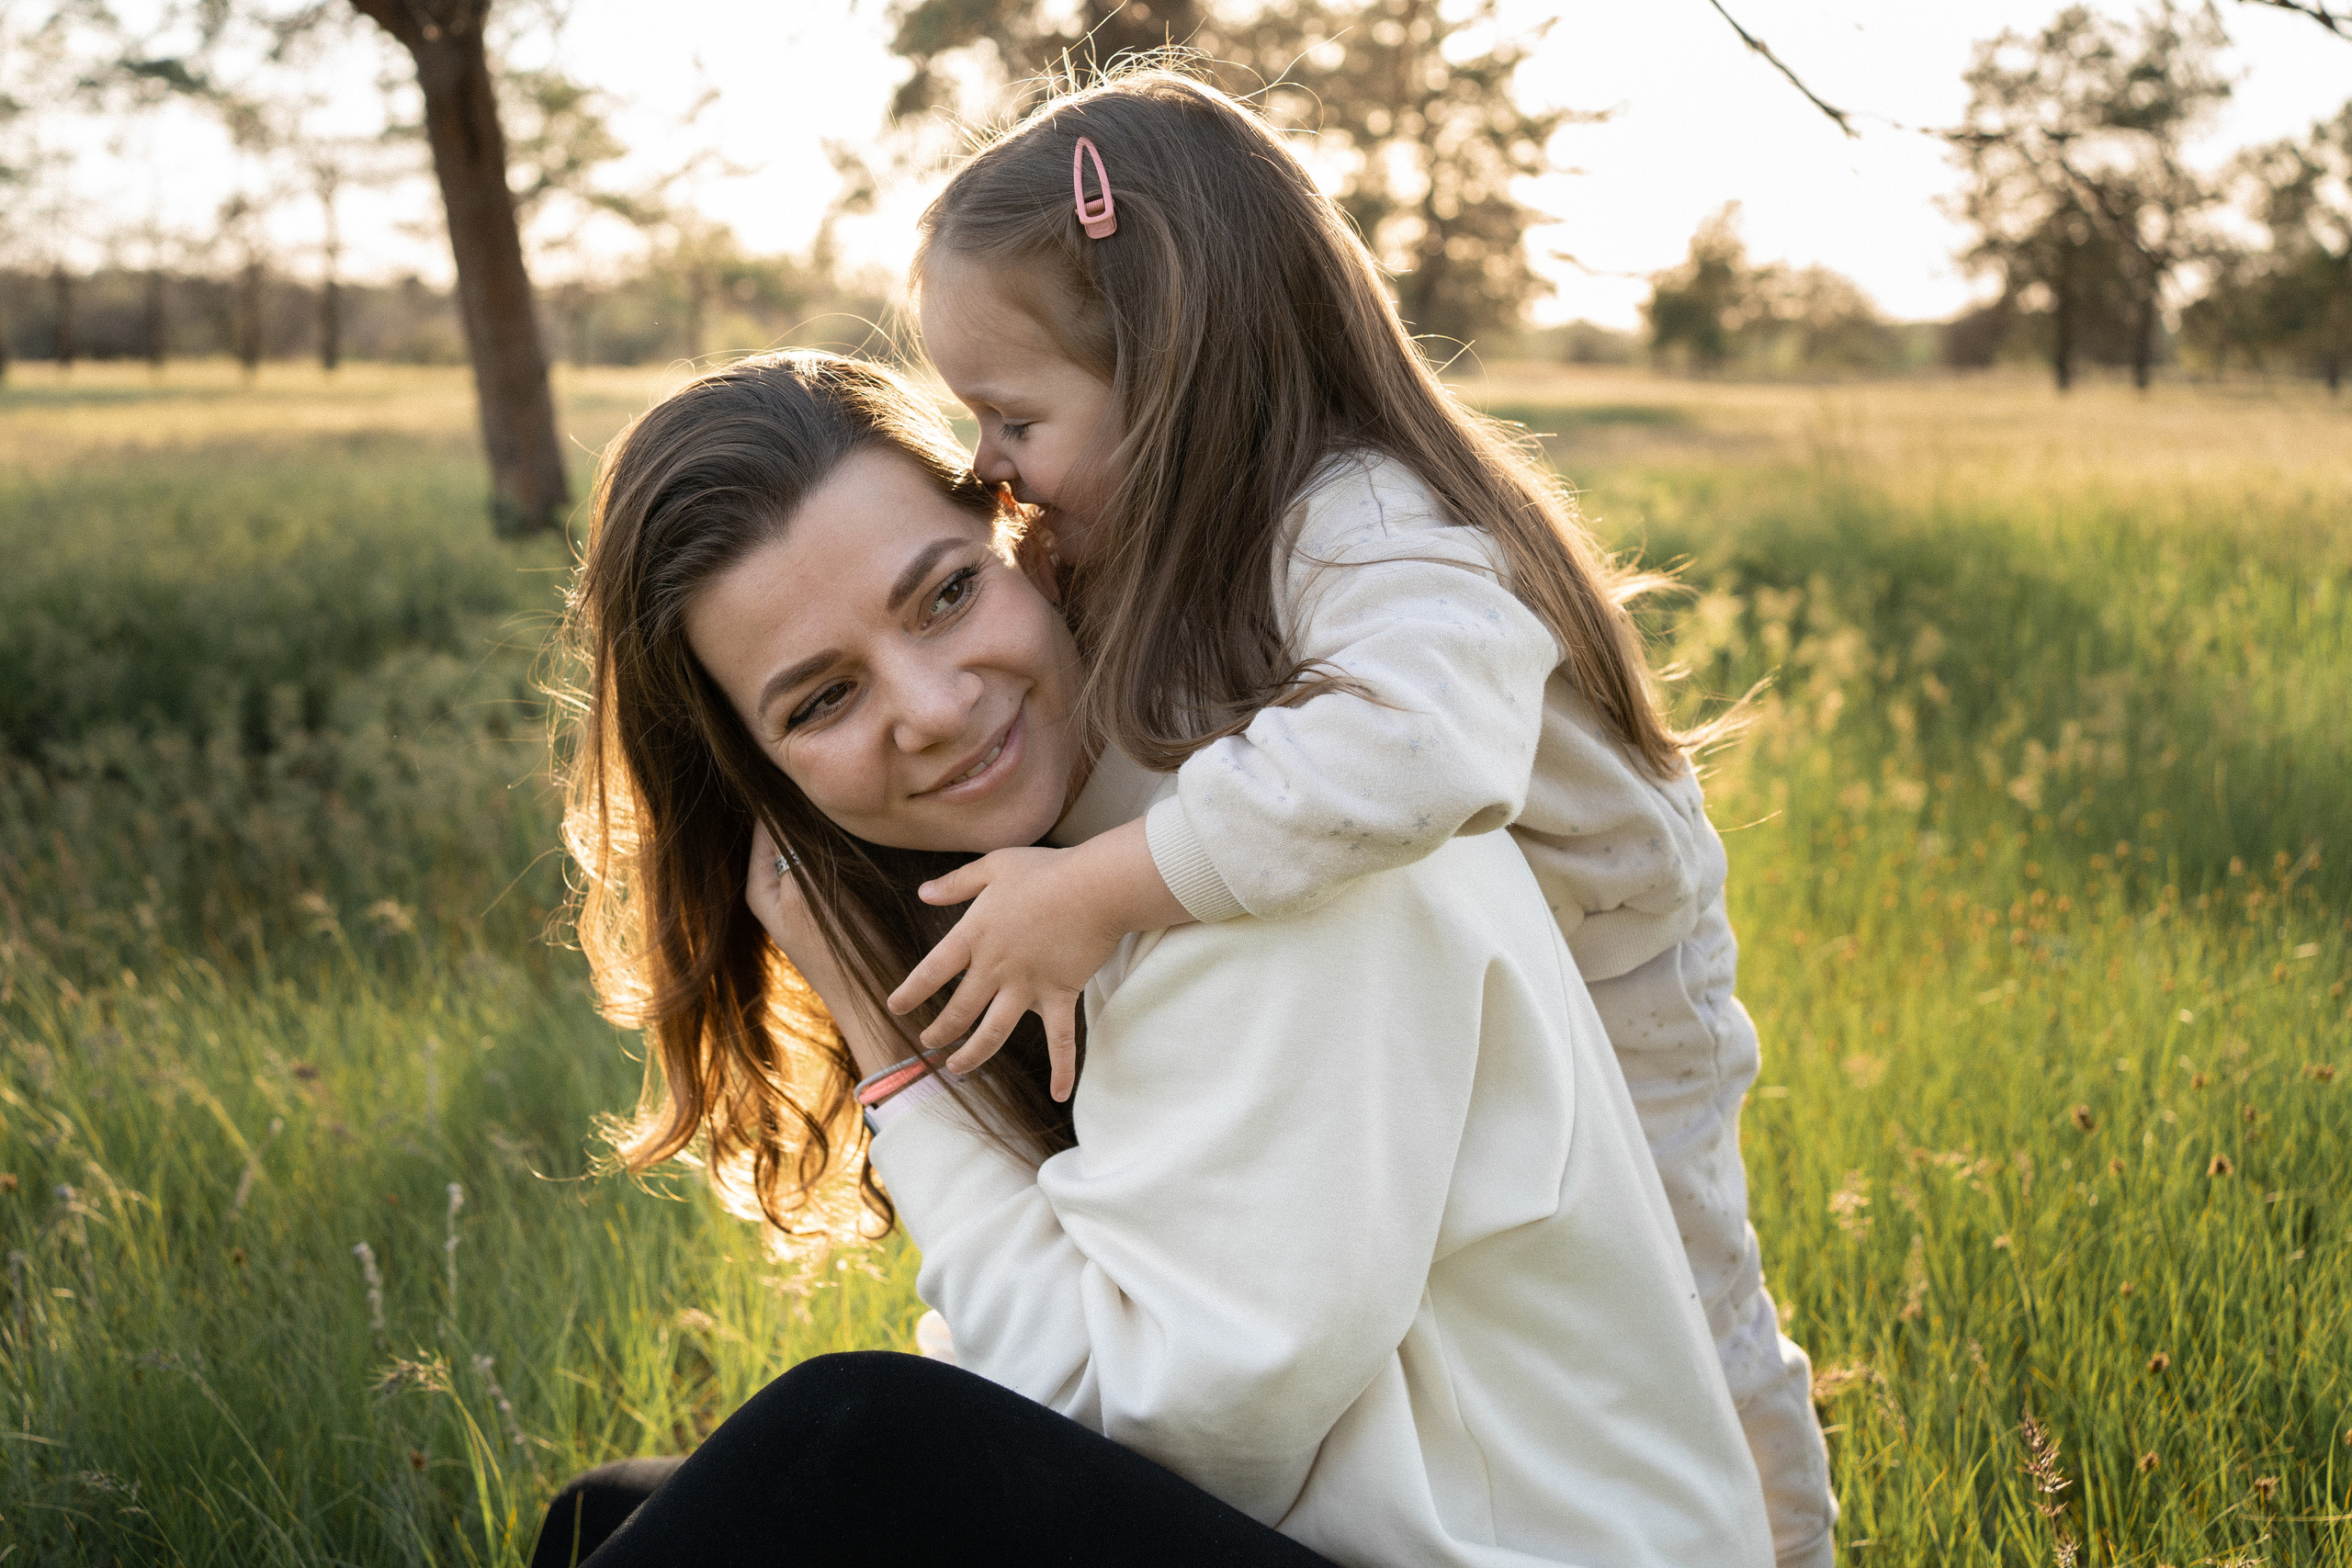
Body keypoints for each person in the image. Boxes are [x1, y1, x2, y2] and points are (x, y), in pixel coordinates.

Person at [544, 349, 1774, 1567]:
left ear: (1020, 538)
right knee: (615, 1521)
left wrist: (890, 1055)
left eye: (944, 596)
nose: (926, 705)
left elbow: (1144, 1433)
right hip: (1364, 1526)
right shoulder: (1083, 868)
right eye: (821, 700)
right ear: (768, 786)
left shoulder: (1271, 857)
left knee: (849, 1445)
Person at [881, 68, 1836, 1567]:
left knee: (1693, 1311)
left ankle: (1779, 1549)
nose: (984, 465)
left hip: (1619, 982)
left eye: (1012, 415)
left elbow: (1422, 749)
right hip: (1481, 976)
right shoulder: (1183, 525)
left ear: (1177, 381)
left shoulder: (1365, 517)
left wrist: (1108, 889)